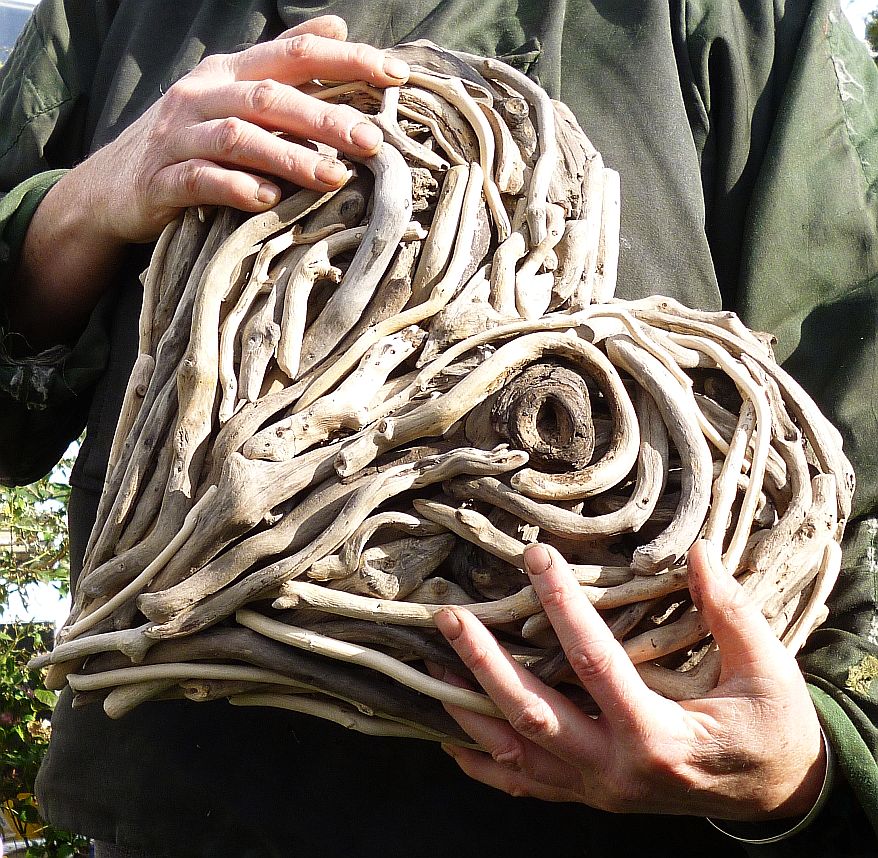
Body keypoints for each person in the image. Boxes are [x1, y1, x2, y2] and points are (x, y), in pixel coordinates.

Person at [0, 1, 876, 855]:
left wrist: (822, 755)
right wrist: (77, 206)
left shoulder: (740, 19)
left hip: (608, 829)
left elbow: (858, 415)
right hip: (183, 812)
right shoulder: (109, 16)